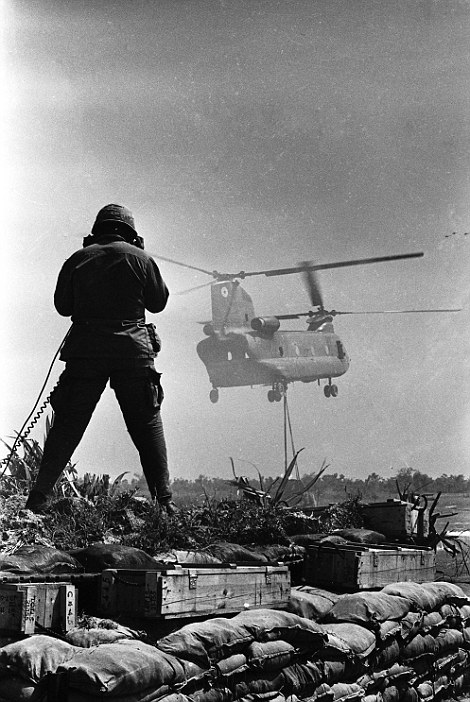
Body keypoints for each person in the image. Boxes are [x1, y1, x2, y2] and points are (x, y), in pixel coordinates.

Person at [25, 204, 176, 514]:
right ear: (131, 234)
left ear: (97, 229)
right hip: (133, 353)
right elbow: (158, 303)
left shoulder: (78, 259)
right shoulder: (142, 259)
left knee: (67, 424)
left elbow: (63, 307)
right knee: (146, 424)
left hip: (86, 352)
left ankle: (37, 499)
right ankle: (165, 503)